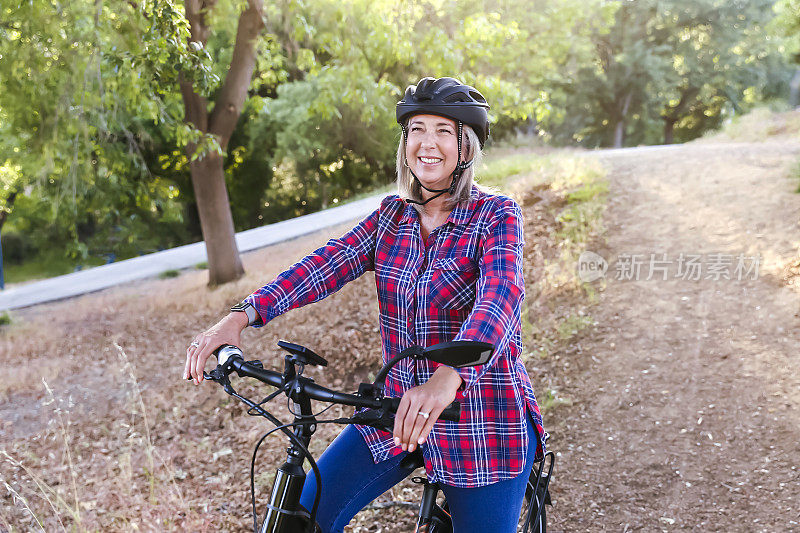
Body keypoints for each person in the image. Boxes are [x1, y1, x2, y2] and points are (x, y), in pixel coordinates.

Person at [184, 77, 547, 533]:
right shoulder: (391, 217)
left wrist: (446, 380)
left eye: (442, 130)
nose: (426, 143)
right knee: (301, 519)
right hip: (394, 410)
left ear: (466, 146)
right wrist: (240, 316)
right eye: (416, 129)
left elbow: (500, 298)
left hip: (479, 416)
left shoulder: (495, 215)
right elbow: (324, 265)